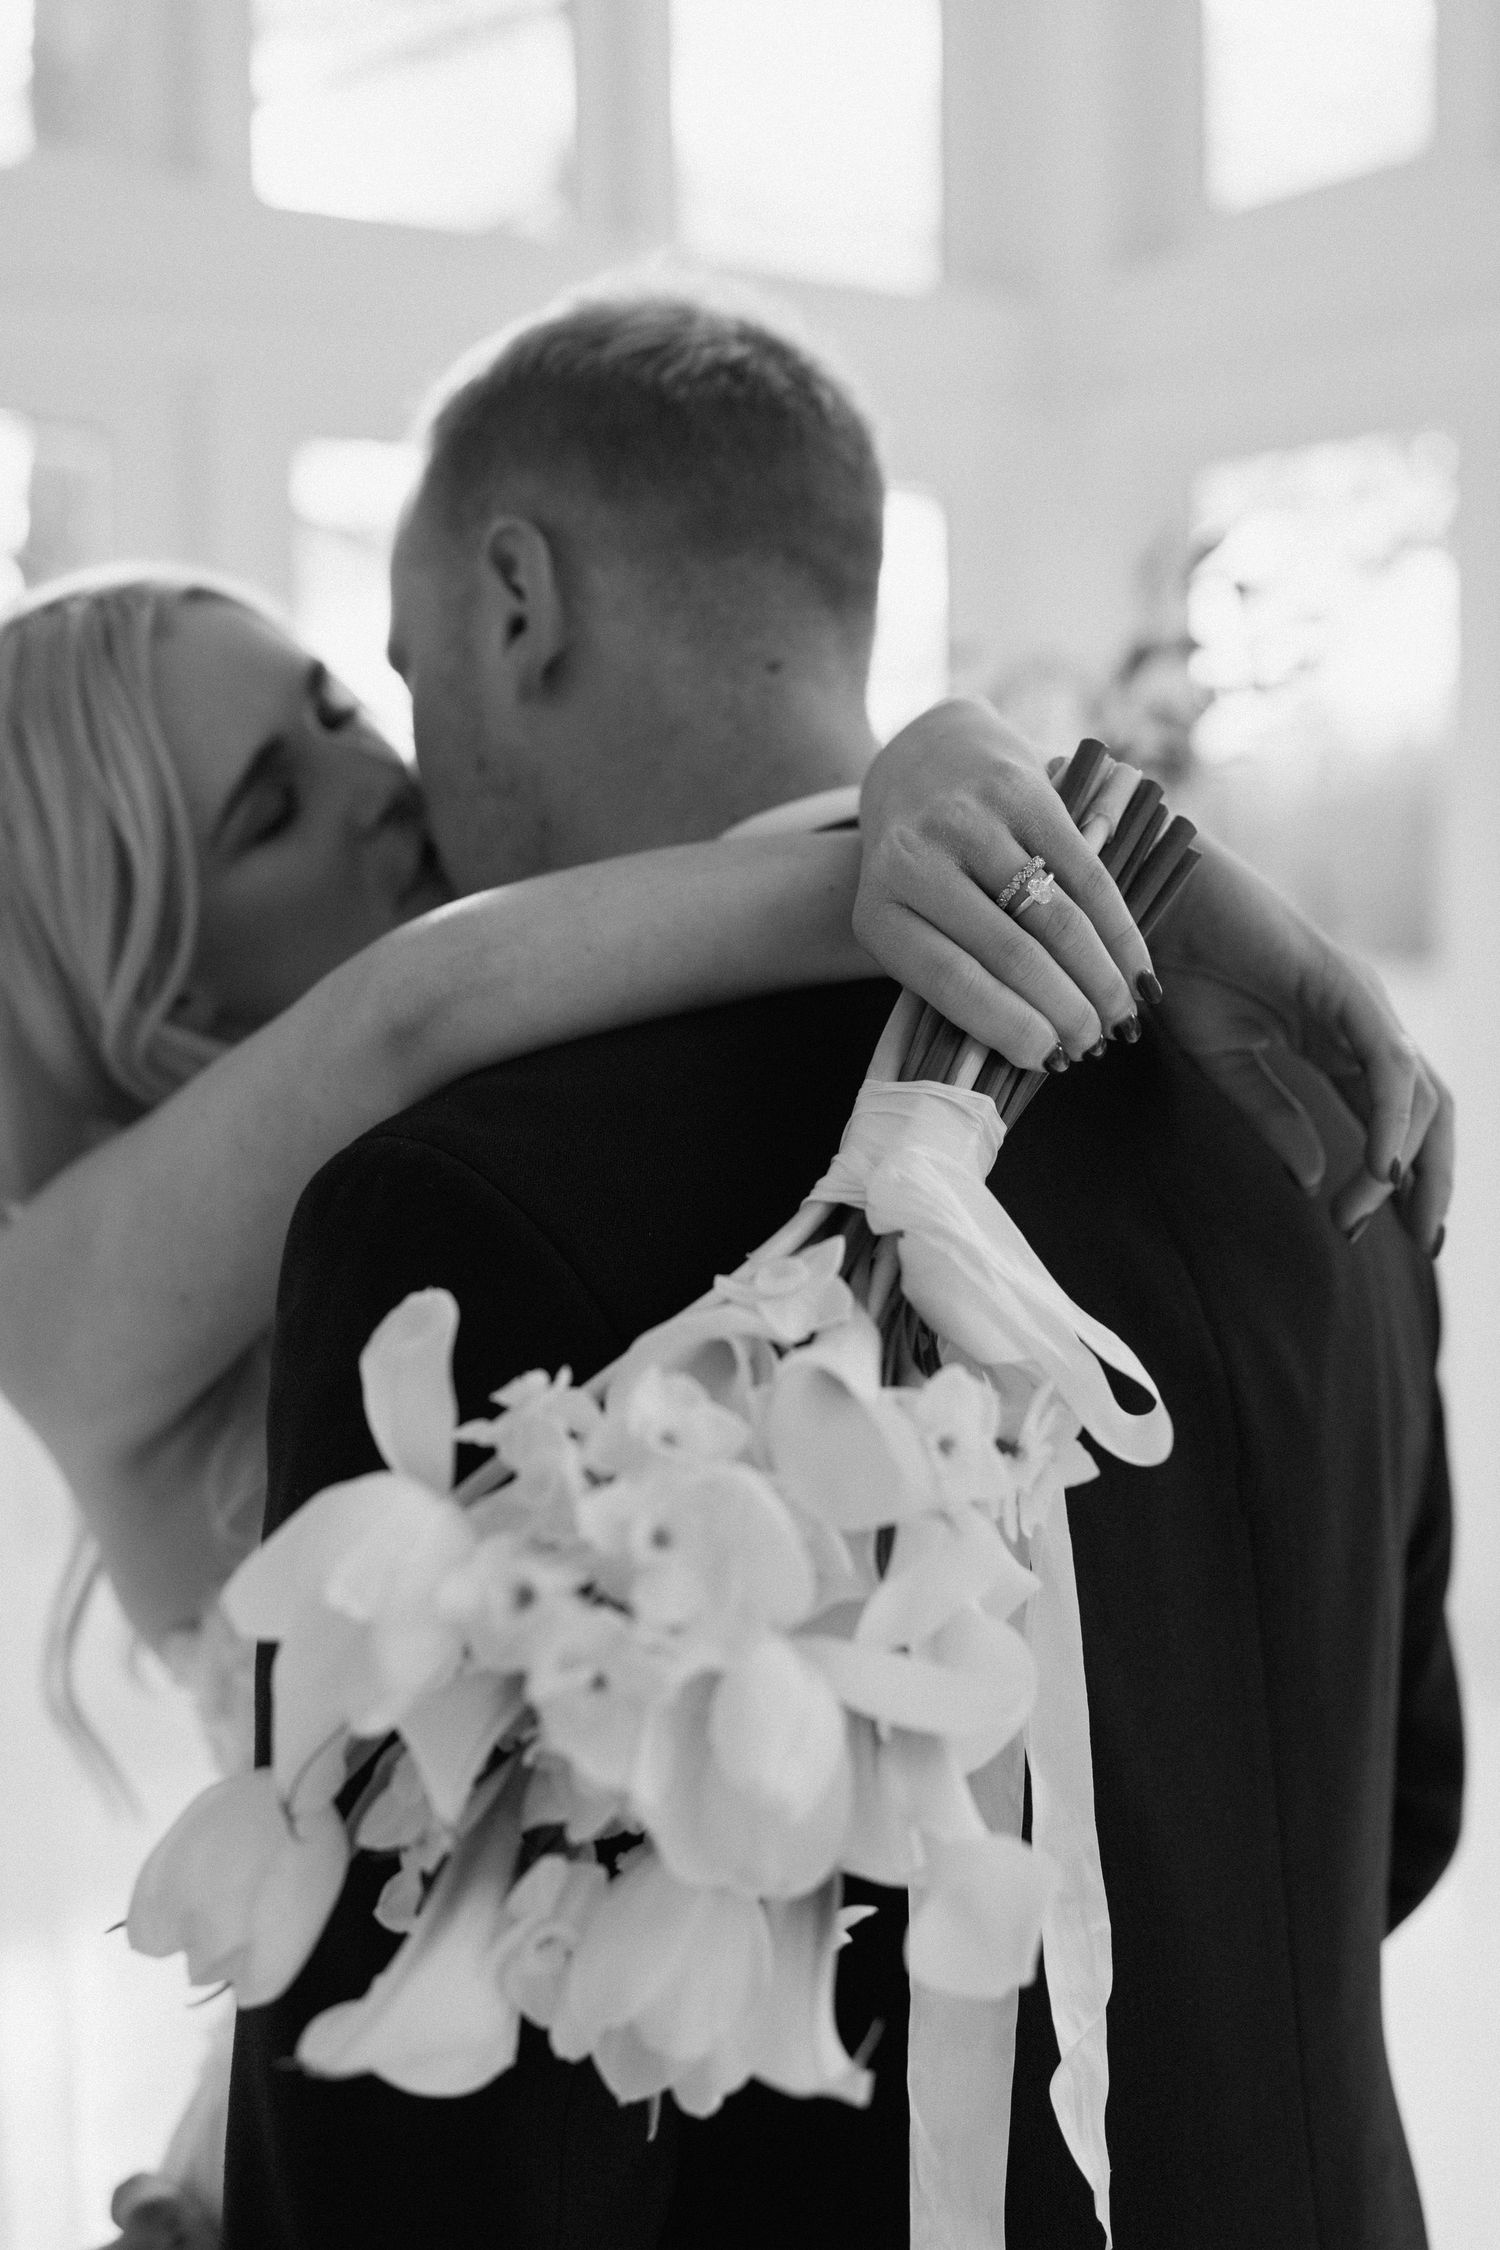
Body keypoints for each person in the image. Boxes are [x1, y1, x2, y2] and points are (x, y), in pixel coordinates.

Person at [225, 295, 1460, 2249]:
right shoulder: (1310, 1115)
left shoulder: (459, 1209)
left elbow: (427, 2175)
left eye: (407, 667)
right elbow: (1399, 1816)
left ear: (518, 602)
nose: (412, 762)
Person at [0, 561, 1153, 2248]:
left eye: (336, 707)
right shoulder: (52, 1303)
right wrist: (931, 856)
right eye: (271, 806)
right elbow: (406, 1012)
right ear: (153, 984)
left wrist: (959, 780)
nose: (375, 777)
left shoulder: (527, 1121)